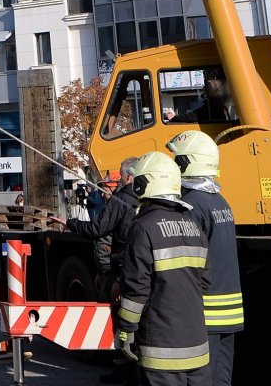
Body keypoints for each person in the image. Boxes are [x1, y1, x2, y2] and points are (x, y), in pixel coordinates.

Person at [115, 151, 210, 385]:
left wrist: (126, 329)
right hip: (197, 345)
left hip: (160, 347)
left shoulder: (143, 227)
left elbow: (136, 288)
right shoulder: (193, 225)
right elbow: (205, 282)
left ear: (143, 185)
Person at [168, 131, 242, 386]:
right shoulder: (220, 200)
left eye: (177, 161)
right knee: (222, 378)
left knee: (204, 378)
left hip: (205, 311)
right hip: (229, 311)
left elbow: (188, 261)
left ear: (188, 163)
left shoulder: (192, 205)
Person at [69, 156, 142, 296]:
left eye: (121, 177)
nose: (120, 181)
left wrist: (70, 223)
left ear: (129, 177)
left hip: (120, 272)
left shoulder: (119, 202)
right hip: (135, 271)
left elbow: (99, 230)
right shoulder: (146, 200)